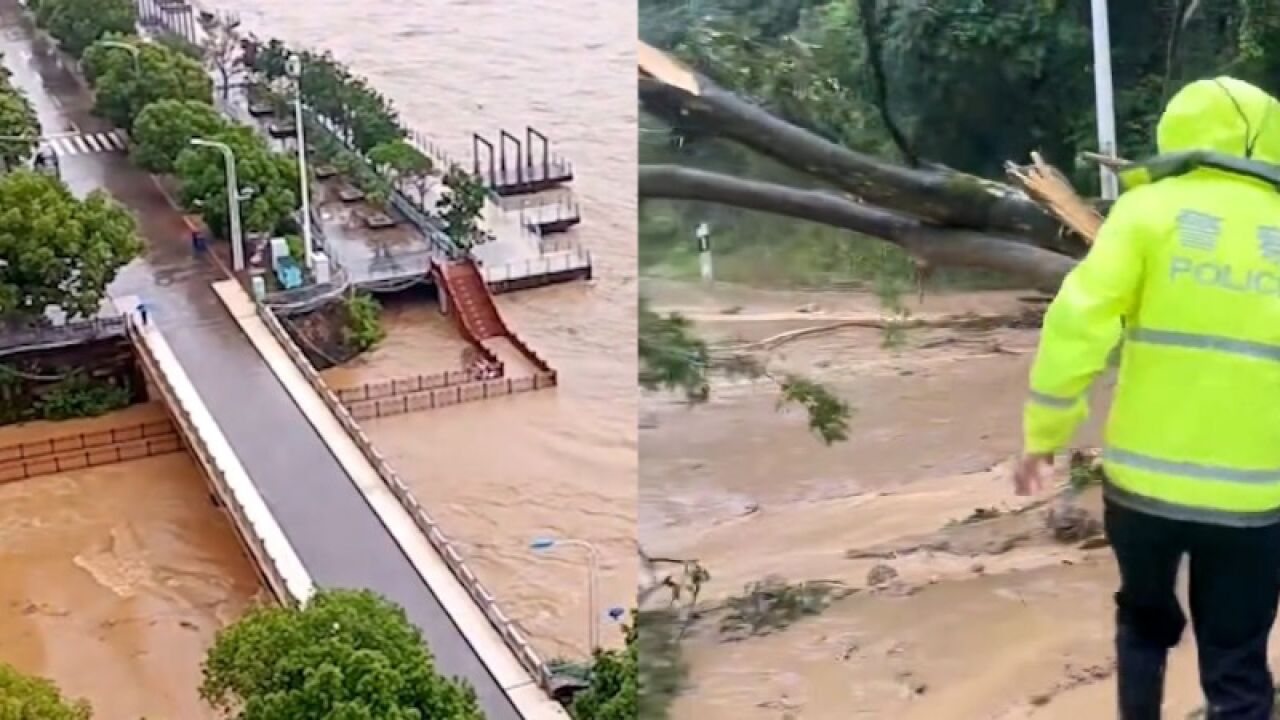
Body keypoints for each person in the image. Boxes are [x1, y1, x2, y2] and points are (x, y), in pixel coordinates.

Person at [1015, 77, 1280, 719]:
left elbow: (1075, 327)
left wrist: (1043, 437)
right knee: (1237, 663)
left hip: (1142, 492)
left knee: (1143, 624)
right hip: (1255, 500)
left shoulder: (1145, 212)